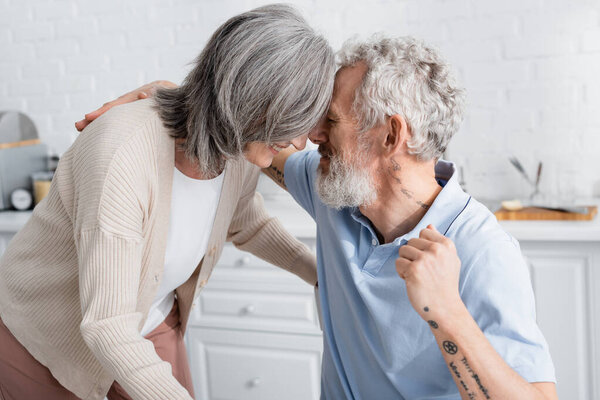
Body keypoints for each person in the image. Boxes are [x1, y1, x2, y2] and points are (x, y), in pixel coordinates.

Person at [78, 37, 559, 399]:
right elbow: (250, 129)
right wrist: (177, 100)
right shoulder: (340, 190)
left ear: (390, 135)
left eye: (329, 120)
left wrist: (448, 313)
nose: (310, 135)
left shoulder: (482, 251)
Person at [0, 4, 335, 400]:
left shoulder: (238, 149)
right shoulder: (122, 154)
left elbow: (247, 221)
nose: (299, 143)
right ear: (249, 102)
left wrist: (320, 275)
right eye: (294, 123)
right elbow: (107, 325)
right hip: (48, 334)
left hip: (150, 317)